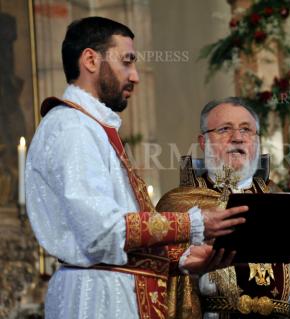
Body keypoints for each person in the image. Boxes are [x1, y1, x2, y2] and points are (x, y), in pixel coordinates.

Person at [25, 17, 247, 319]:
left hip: (114, 289)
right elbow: (101, 232)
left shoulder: (92, 127)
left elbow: (116, 236)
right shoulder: (72, 128)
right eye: (127, 62)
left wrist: (180, 258)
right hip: (95, 299)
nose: (135, 76)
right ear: (90, 59)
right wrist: (194, 224)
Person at [157, 97, 290, 318]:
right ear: (203, 142)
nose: (237, 138)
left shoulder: (283, 202)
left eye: (246, 130)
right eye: (224, 129)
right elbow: (162, 274)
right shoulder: (177, 205)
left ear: (256, 142)